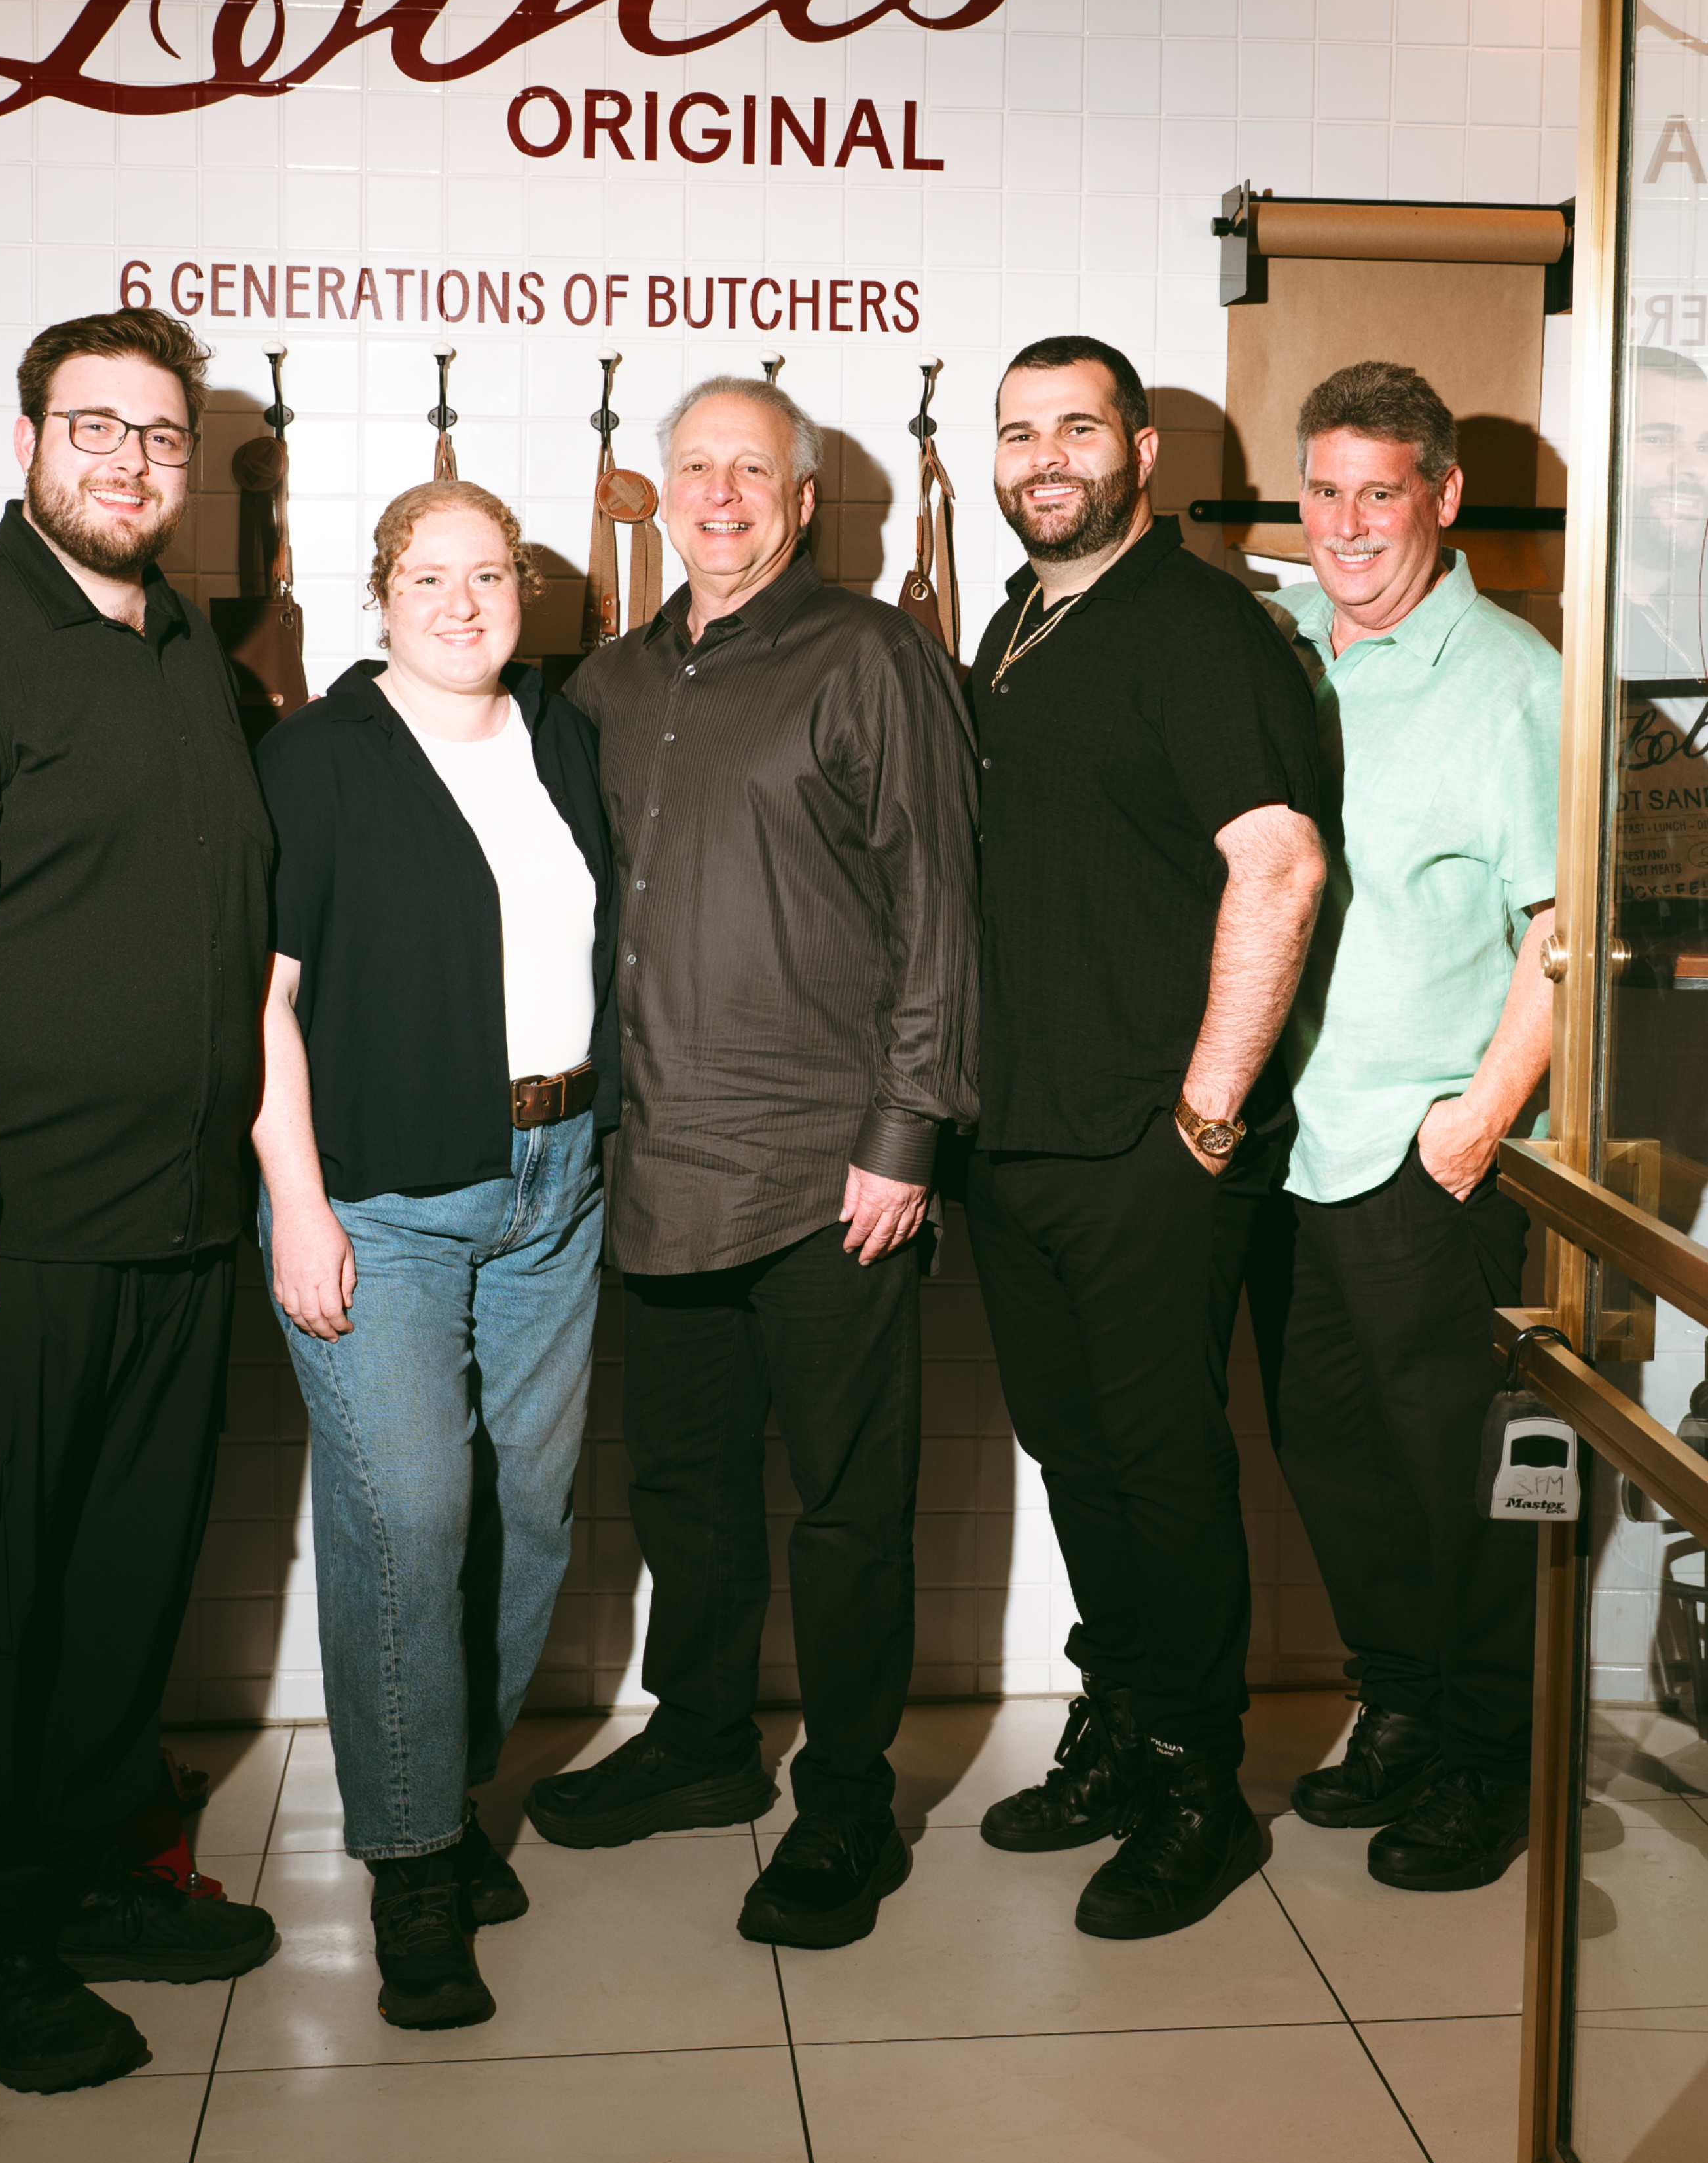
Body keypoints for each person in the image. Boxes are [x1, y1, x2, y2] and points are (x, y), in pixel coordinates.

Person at [0, 307, 276, 2095]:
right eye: (93, 426)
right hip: (2, 1241)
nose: (127, 460)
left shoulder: (189, 652)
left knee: (121, 1585)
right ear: (28, 440)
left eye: (160, 437)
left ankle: (99, 1871)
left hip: (174, 1229)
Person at [526, 375, 980, 1954]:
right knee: (685, 1491)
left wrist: (905, 1133)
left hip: (831, 1177)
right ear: (660, 491)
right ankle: (706, 1740)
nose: (720, 495)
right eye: (696, 467)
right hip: (654, 1164)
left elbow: (939, 902)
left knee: (849, 1509)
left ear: (801, 502)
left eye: (753, 472)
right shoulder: (600, 681)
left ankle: (847, 1794)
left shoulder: (870, 655)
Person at [964, 333, 1326, 1940]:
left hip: (1146, 1146)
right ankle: (1120, 1728)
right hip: (1019, 1134)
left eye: (1077, 428)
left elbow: (1280, 866)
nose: (1046, 456)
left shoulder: (1199, 630)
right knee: (1079, 1455)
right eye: (1019, 431)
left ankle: (1200, 1788)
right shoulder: (1024, 619)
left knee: (1165, 1467)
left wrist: (1204, 1110)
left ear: (1142, 454)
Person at [251, 481, 618, 2029]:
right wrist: (298, 1199)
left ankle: (449, 1785)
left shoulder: (563, 740)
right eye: (428, 574)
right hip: (381, 1196)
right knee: (410, 1511)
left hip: (560, 1177)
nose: (462, 601)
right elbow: (261, 1001)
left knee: (529, 1512)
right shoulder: (319, 759)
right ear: (378, 592)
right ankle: (411, 1866)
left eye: (490, 574)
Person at [1269, 361, 1558, 1891]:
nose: (1348, 521)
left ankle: (1488, 1760)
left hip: (1426, 1155)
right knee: (1332, 1450)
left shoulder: (1515, 677)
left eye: (1380, 490)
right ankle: (1400, 1704)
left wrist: (1477, 1117)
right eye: (1323, 490)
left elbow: (1566, 927)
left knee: (1459, 1471)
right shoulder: (1290, 652)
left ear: (1443, 496)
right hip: (1295, 1146)